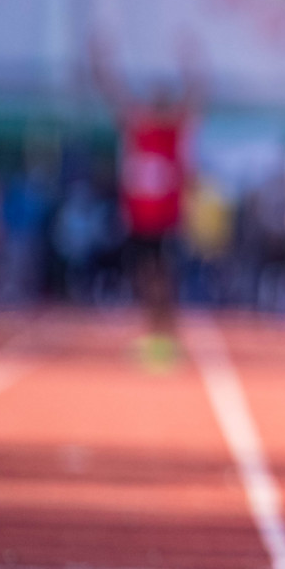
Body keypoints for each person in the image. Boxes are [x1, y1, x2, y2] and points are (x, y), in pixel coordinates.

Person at [91, 39, 200, 369]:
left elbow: (196, 95)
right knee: (144, 278)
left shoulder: (173, 129)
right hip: (139, 218)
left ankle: (167, 337)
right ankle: (155, 336)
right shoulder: (138, 127)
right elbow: (113, 92)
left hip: (166, 218)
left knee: (163, 278)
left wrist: (191, 63)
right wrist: (101, 60)